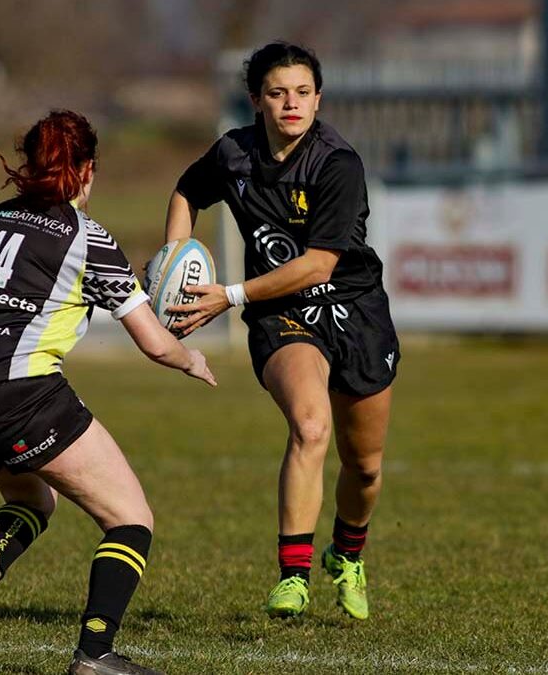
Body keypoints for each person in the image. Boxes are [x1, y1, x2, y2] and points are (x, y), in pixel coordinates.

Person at [0, 109, 215, 675]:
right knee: (131, 519)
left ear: (28, 166)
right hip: (20, 397)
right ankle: (95, 655)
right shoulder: (89, 240)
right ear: (87, 170)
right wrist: (191, 359)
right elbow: (155, 344)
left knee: (33, 500)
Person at [163, 42, 400, 620]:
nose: (290, 103)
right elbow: (189, 190)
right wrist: (174, 255)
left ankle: (347, 555)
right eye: (277, 93)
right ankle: (292, 575)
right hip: (282, 316)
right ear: (256, 101)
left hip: (355, 310)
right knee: (310, 426)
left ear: (318, 99)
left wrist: (231, 294)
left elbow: (320, 263)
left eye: (301, 92)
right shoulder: (235, 154)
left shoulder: (337, 162)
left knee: (364, 465)